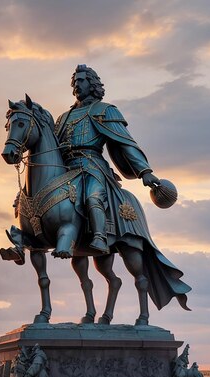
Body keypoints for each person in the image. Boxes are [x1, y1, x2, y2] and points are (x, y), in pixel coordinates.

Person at [53, 64, 160, 253]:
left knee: (93, 197)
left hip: (91, 166)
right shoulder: (62, 118)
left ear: (92, 83)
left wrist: (145, 171)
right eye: (75, 81)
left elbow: (125, 143)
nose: (77, 84)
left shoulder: (105, 110)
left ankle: (100, 236)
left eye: (82, 80)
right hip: (65, 170)